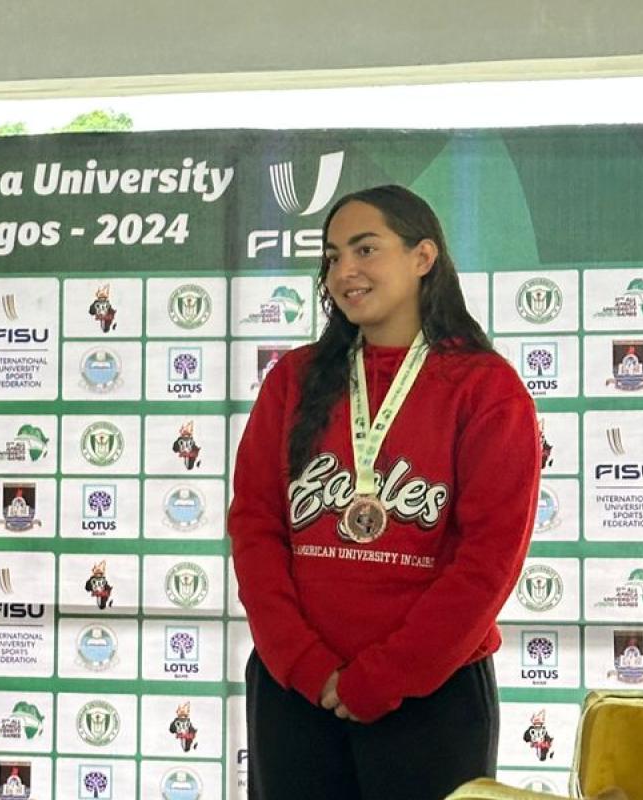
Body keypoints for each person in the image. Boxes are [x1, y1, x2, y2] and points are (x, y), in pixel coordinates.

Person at [229, 185, 539, 799]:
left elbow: (488, 559)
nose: (344, 270)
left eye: (365, 249)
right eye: (332, 256)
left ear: (423, 257)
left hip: (431, 695)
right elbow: (255, 525)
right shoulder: (292, 380)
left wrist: (387, 675)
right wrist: (305, 663)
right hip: (297, 691)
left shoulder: (485, 388)